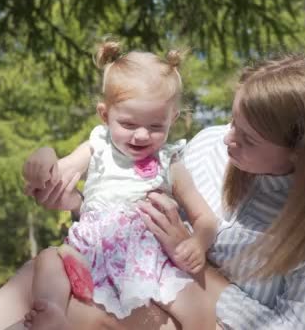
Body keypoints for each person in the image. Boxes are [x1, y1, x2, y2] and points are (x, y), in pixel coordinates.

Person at [0, 53, 305, 330]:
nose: (226, 139)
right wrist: (76, 204)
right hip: (148, 287)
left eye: (248, 138)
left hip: (204, 317)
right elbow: (129, 227)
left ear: (299, 154)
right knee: (42, 276)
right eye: (233, 120)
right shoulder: (207, 148)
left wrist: (198, 272)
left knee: (66, 312)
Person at [21, 41, 218, 329]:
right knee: (48, 260)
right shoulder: (97, 145)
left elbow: (206, 218)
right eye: (128, 124)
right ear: (105, 115)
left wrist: (198, 243)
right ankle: (52, 314)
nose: (141, 135)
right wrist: (42, 157)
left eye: (155, 127)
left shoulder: (170, 163)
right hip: (88, 252)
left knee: (199, 305)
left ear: (172, 119)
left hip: (148, 259)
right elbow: (59, 167)